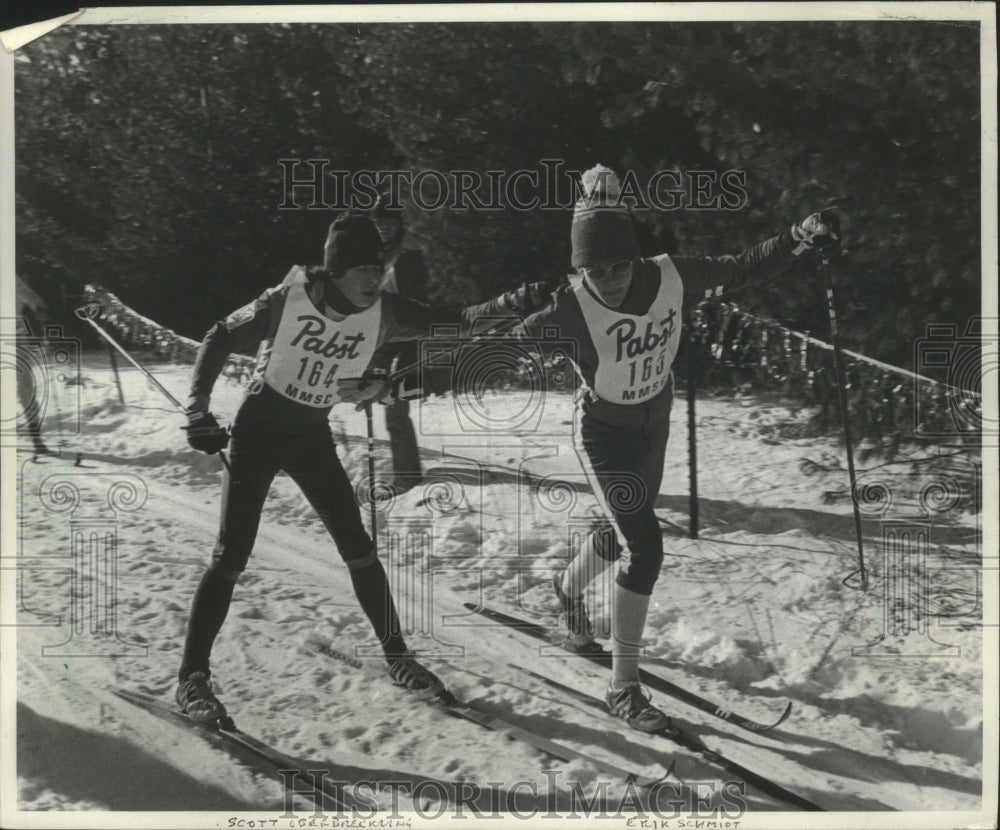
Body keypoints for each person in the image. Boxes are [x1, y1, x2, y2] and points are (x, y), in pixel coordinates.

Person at [515, 164, 840, 733]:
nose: (609, 280)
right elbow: (491, 351)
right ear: (578, 268)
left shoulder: (671, 276)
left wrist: (799, 235)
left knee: (624, 533)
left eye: (618, 266)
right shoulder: (569, 308)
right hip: (602, 435)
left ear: (635, 258)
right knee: (645, 548)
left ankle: (567, 588)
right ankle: (624, 688)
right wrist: (403, 378)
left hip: (653, 426)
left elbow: (742, 269)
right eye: (594, 270)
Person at [176, 211, 523, 722]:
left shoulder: (385, 310)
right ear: (334, 271)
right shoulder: (288, 300)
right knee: (231, 555)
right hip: (257, 435)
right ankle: (192, 679)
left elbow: (458, 322)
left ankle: (398, 658)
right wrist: (197, 410)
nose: (372, 278)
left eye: (377, 267)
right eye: (361, 268)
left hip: (310, 439)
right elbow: (218, 334)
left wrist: (516, 303)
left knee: (359, 549)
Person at [371, 198, 428, 495]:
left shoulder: (408, 257)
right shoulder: (374, 256)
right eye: (379, 224)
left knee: (396, 405)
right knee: (378, 399)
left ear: (398, 226)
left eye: (389, 223)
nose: (384, 229)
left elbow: (417, 303)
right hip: (381, 341)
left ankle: (408, 475)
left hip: (409, 341)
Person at [15, 275, 52, 456]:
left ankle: (36, 437)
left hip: (16, 338)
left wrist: (39, 307)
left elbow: (28, 295)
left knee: (26, 387)